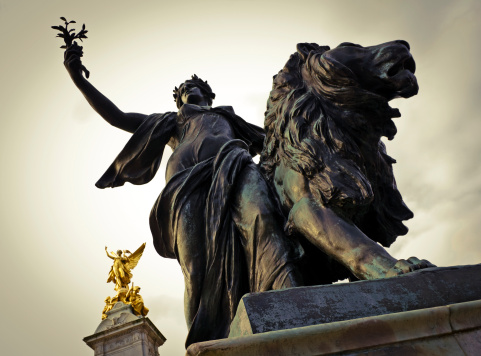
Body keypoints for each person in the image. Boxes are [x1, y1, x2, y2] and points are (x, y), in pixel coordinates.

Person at [64, 43, 303, 347]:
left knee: (263, 219)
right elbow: (118, 117)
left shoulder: (228, 117)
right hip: (185, 190)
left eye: (193, 86)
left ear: (208, 93)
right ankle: (202, 345)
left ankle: (289, 297)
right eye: (181, 91)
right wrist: (78, 79)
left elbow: (279, 138)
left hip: (234, 166)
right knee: (195, 269)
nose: (186, 91)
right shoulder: (172, 121)